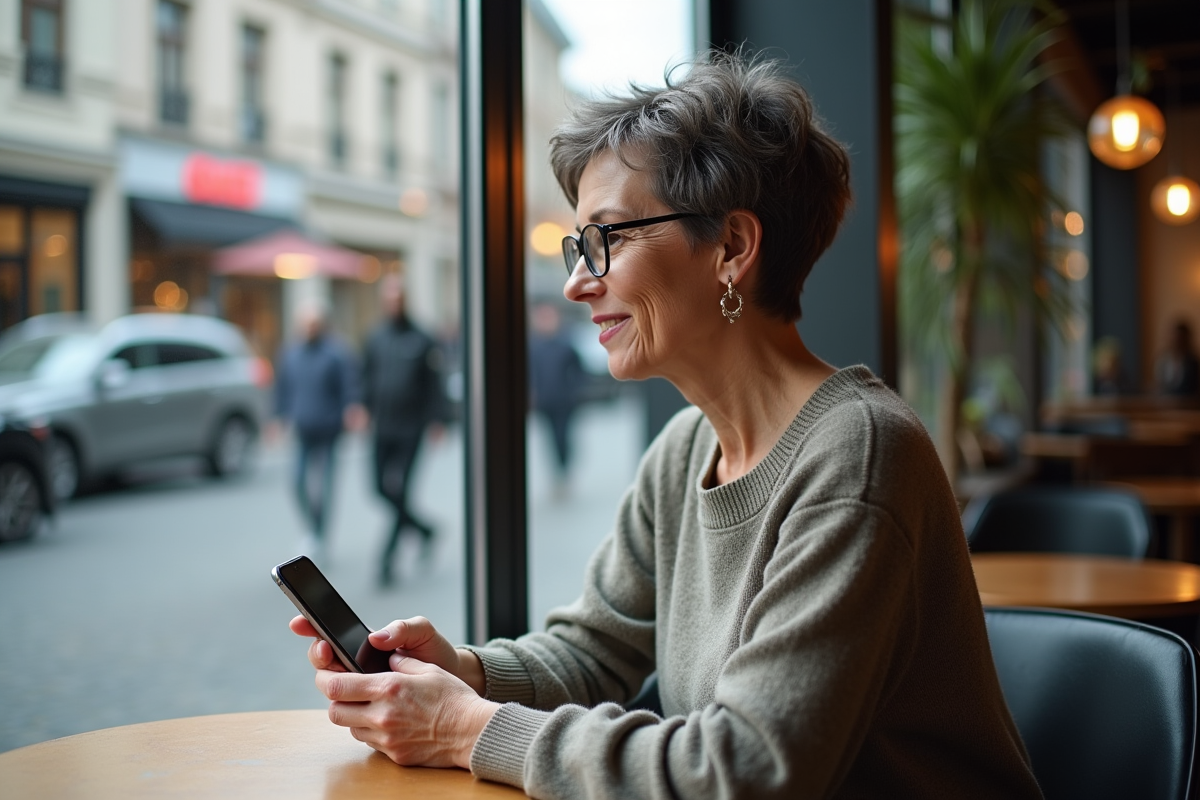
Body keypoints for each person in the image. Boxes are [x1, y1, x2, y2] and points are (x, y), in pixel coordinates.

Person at [289, 51, 1042, 798]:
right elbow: (593, 651)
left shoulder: (859, 456)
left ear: (732, 248)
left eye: (607, 239)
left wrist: (467, 728)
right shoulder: (687, 448)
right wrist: (464, 672)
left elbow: (743, 772)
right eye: (578, 246)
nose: (579, 283)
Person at [362, 274, 446, 586]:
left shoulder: (422, 338)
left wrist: (438, 420)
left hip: (412, 428)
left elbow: (434, 384)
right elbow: (366, 376)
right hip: (382, 426)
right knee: (379, 489)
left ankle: (386, 561)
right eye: (389, 299)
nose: (394, 304)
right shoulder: (375, 337)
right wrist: (361, 407)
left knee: (400, 491)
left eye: (398, 298)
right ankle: (425, 530)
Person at [274, 300, 361, 561]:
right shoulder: (290, 353)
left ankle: (320, 536)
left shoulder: (337, 352)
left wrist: (352, 408)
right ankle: (312, 530)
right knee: (298, 483)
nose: (309, 328)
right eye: (305, 324)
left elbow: (350, 386)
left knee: (324, 488)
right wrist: (277, 417)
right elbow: (282, 388)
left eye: (314, 323)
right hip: (303, 428)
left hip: (329, 430)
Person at [528, 302, 585, 495]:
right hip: (545, 402)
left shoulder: (565, 345)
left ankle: (565, 469)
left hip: (565, 402)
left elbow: (579, 371)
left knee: (563, 437)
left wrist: (574, 391)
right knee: (550, 440)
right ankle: (557, 474)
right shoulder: (534, 346)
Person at [1156, 319, 1200, 397]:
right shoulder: (1163, 361)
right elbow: (1159, 384)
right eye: (1174, 337)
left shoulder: (1192, 362)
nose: (1176, 341)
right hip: (1163, 403)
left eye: (1180, 338)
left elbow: (1190, 388)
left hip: (1186, 404)